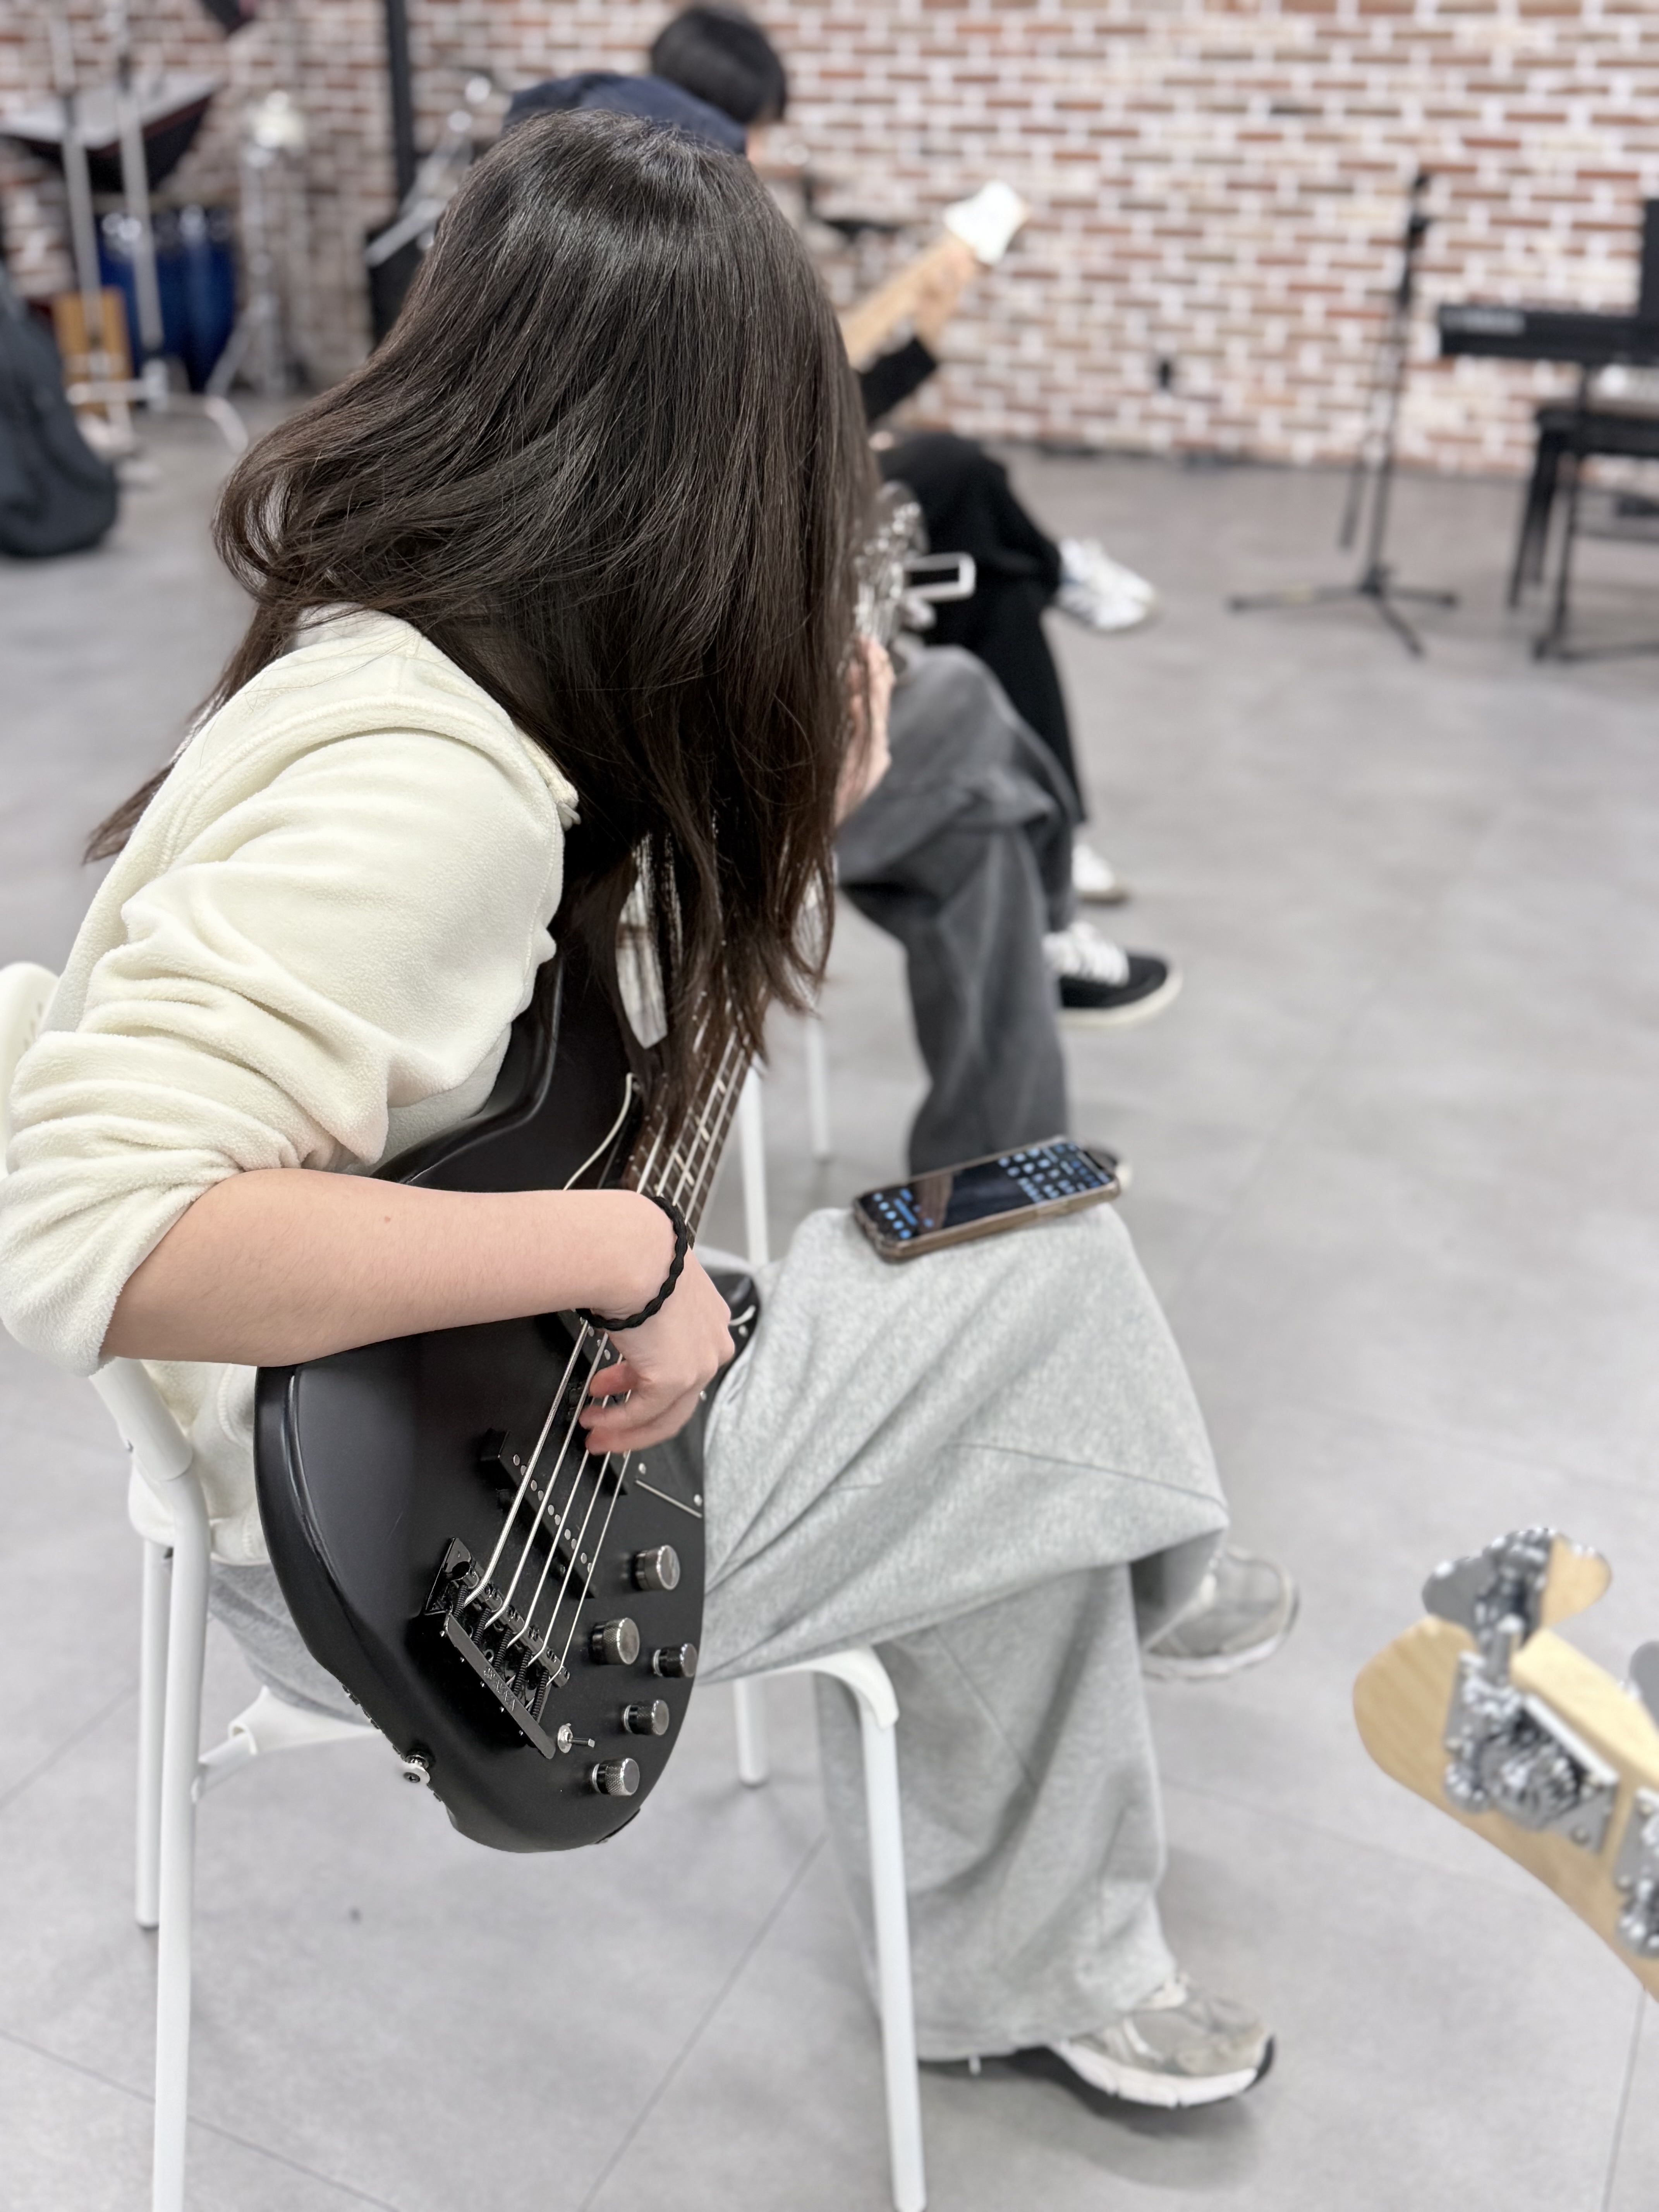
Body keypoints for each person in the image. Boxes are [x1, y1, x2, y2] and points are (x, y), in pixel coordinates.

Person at [0, 113, 1286, 2112]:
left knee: (998, 1286)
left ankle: (1099, 1673)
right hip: (436, 1567)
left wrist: (797, 834)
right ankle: (1122, 1639)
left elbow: (538, 1082)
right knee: (1049, 1282)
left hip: (428, 1426)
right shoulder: (426, 788)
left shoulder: (418, 656)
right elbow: (87, 1230)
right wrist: (628, 1254)